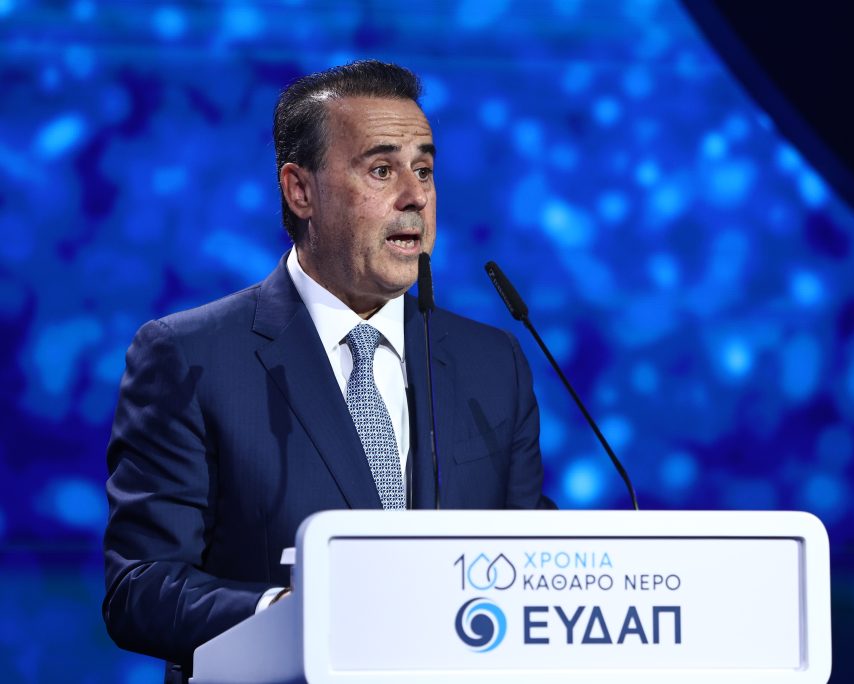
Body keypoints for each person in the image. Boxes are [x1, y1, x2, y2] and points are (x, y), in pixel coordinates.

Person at [103, 60, 551, 683]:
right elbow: (140, 588)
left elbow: (533, 563)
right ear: (300, 191)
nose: (415, 196)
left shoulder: (492, 363)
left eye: (424, 170)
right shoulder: (190, 356)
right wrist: (289, 616)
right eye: (381, 170)